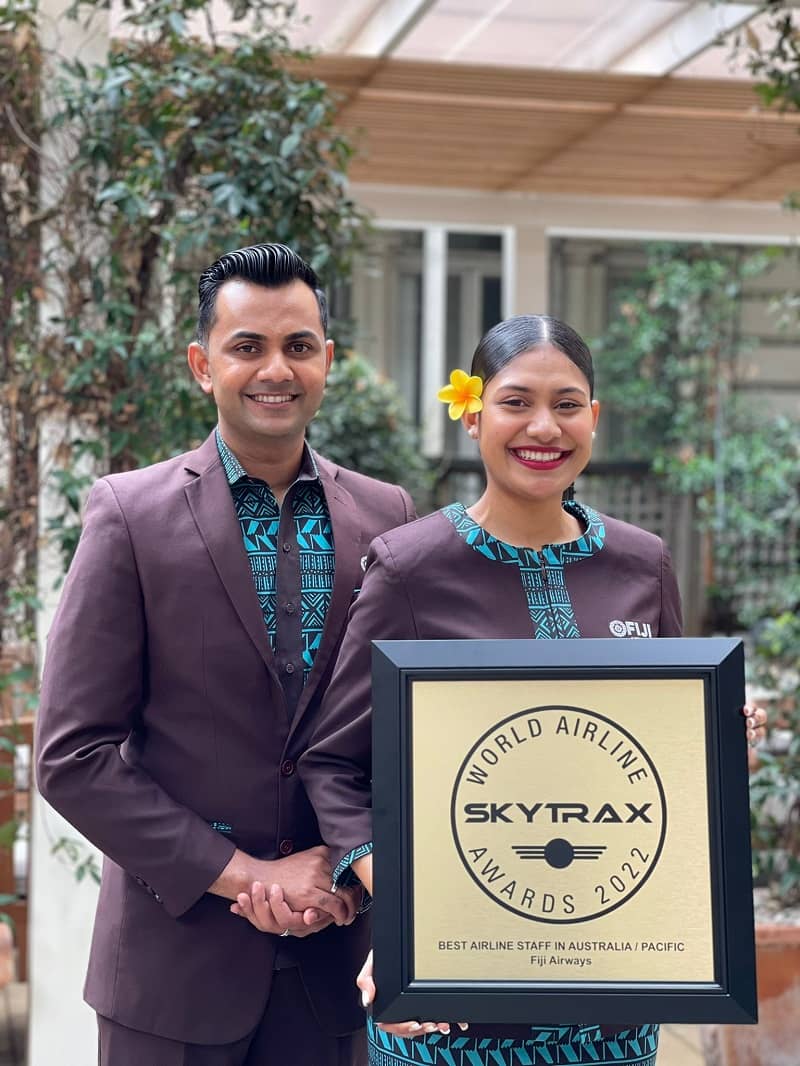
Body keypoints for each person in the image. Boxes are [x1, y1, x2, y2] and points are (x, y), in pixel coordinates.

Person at [234, 314, 767, 1066]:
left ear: (594, 418)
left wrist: (718, 745)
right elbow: (335, 765)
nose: (543, 427)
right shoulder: (410, 568)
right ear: (474, 413)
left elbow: (659, 773)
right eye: (516, 402)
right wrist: (412, 921)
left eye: (567, 404)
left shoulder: (642, 564)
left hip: (612, 1005)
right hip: (450, 1007)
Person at [35, 243, 416, 1066]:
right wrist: (244, 874)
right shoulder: (128, 515)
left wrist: (353, 881)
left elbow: (404, 736)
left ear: (327, 361)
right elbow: (72, 755)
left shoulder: (388, 517)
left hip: (336, 969)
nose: (276, 369)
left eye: (298, 346)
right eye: (248, 346)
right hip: (172, 975)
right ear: (203, 365)